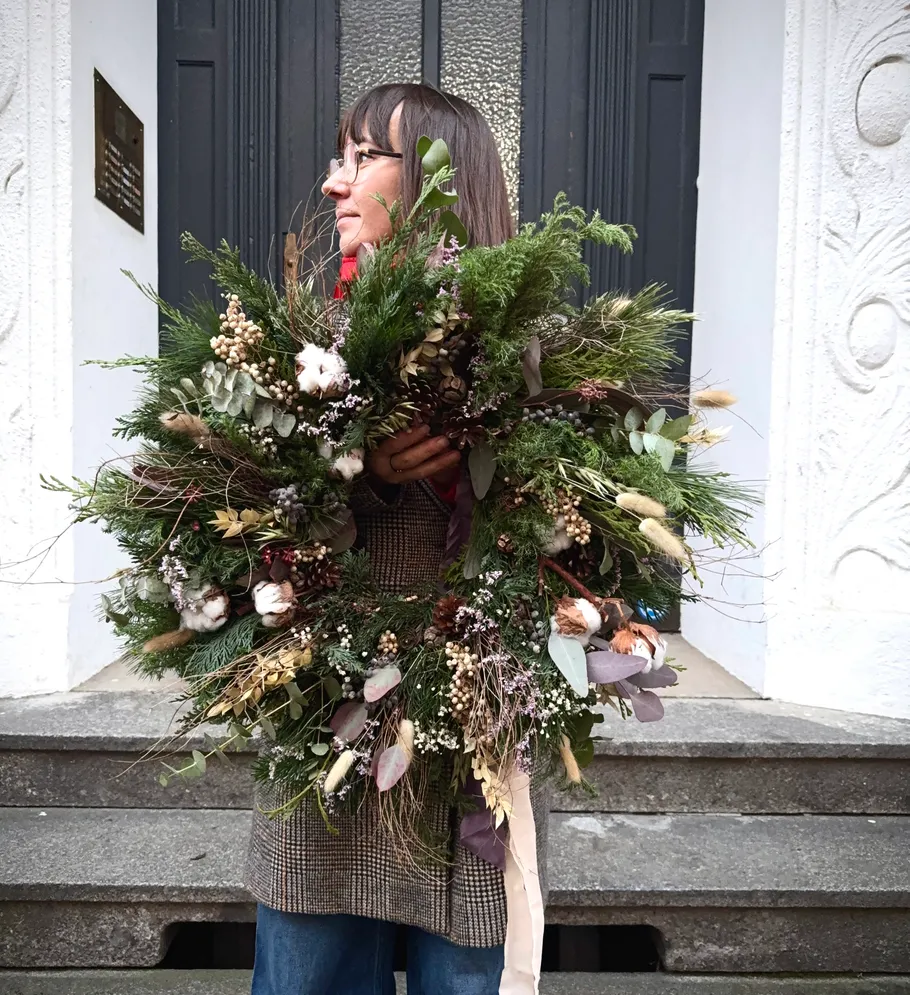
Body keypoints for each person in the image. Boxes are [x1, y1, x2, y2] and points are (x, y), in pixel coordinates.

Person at [247, 83, 547, 995]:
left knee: (469, 960)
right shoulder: (300, 344)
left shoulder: (519, 349)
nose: (334, 182)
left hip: (462, 721)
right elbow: (249, 517)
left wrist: (471, 466)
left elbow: (550, 534)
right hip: (324, 718)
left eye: (363, 156)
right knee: (310, 963)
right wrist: (350, 467)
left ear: (435, 180)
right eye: (340, 156)